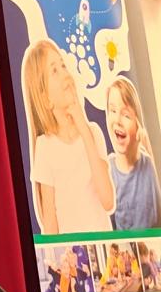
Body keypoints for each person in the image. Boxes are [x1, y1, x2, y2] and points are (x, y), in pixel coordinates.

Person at [23, 39, 115, 233]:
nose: (64, 73)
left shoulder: (93, 133)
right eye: (54, 71)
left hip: (103, 247)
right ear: (46, 99)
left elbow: (107, 200)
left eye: (63, 65)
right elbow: (50, 221)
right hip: (72, 250)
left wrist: (83, 127)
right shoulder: (45, 147)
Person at [106, 77, 160, 232]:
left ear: (137, 124)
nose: (117, 120)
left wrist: (146, 145)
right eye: (113, 111)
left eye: (126, 115)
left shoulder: (147, 165)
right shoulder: (108, 170)